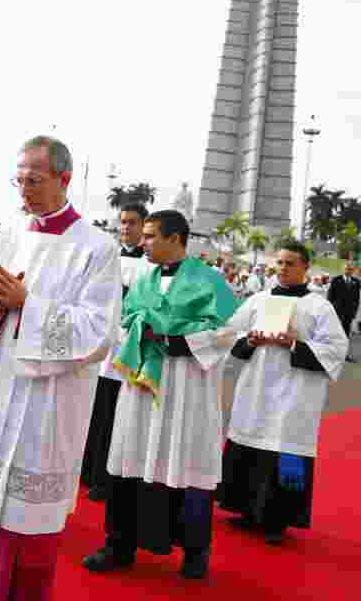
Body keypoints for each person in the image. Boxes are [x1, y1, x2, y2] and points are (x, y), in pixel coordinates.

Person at [0, 135, 121, 601]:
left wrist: (28, 306)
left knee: (22, 521)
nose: (23, 191)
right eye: (18, 180)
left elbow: (98, 331)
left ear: (64, 179)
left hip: (48, 403)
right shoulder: (9, 233)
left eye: (34, 181)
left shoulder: (97, 247)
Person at [84, 209, 237, 581]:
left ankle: (195, 551)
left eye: (151, 236)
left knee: (186, 461)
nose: (144, 242)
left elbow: (229, 330)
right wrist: (137, 331)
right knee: (130, 456)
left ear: (176, 239)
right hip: (141, 385)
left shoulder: (211, 281)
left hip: (187, 386)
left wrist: (176, 340)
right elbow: (123, 323)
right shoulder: (143, 279)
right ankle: (119, 544)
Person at [219, 242, 347, 544]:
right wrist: (249, 340)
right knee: (249, 444)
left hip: (296, 391)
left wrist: (292, 343)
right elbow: (227, 334)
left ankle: (279, 521)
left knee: (287, 450)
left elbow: (336, 350)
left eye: (290, 263)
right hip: (257, 386)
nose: (283, 268)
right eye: (280, 262)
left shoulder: (320, 307)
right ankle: (247, 510)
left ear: (305, 268)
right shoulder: (258, 300)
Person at [81, 201, 151, 502]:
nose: (125, 227)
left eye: (132, 222)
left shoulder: (152, 265)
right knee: (93, 412)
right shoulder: (106, 255)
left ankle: (106, 478)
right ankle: (85, 471)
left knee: (115, 415)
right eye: (122, 222)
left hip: (128, 348)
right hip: (99, 347)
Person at [327, 262, 361, 362]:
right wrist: (330, 310)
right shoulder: (336, 280)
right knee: (334, 333)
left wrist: (354, 312)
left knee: (345, 334)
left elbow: (356, 299)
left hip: (349, 313)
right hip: (337, 311)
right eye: (347, 269)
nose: (348, 271)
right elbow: (330, 296)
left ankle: (344, 354)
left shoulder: (356, 282)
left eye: (350, 269)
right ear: (343, 269)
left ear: (353, 270)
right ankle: (332, 353)